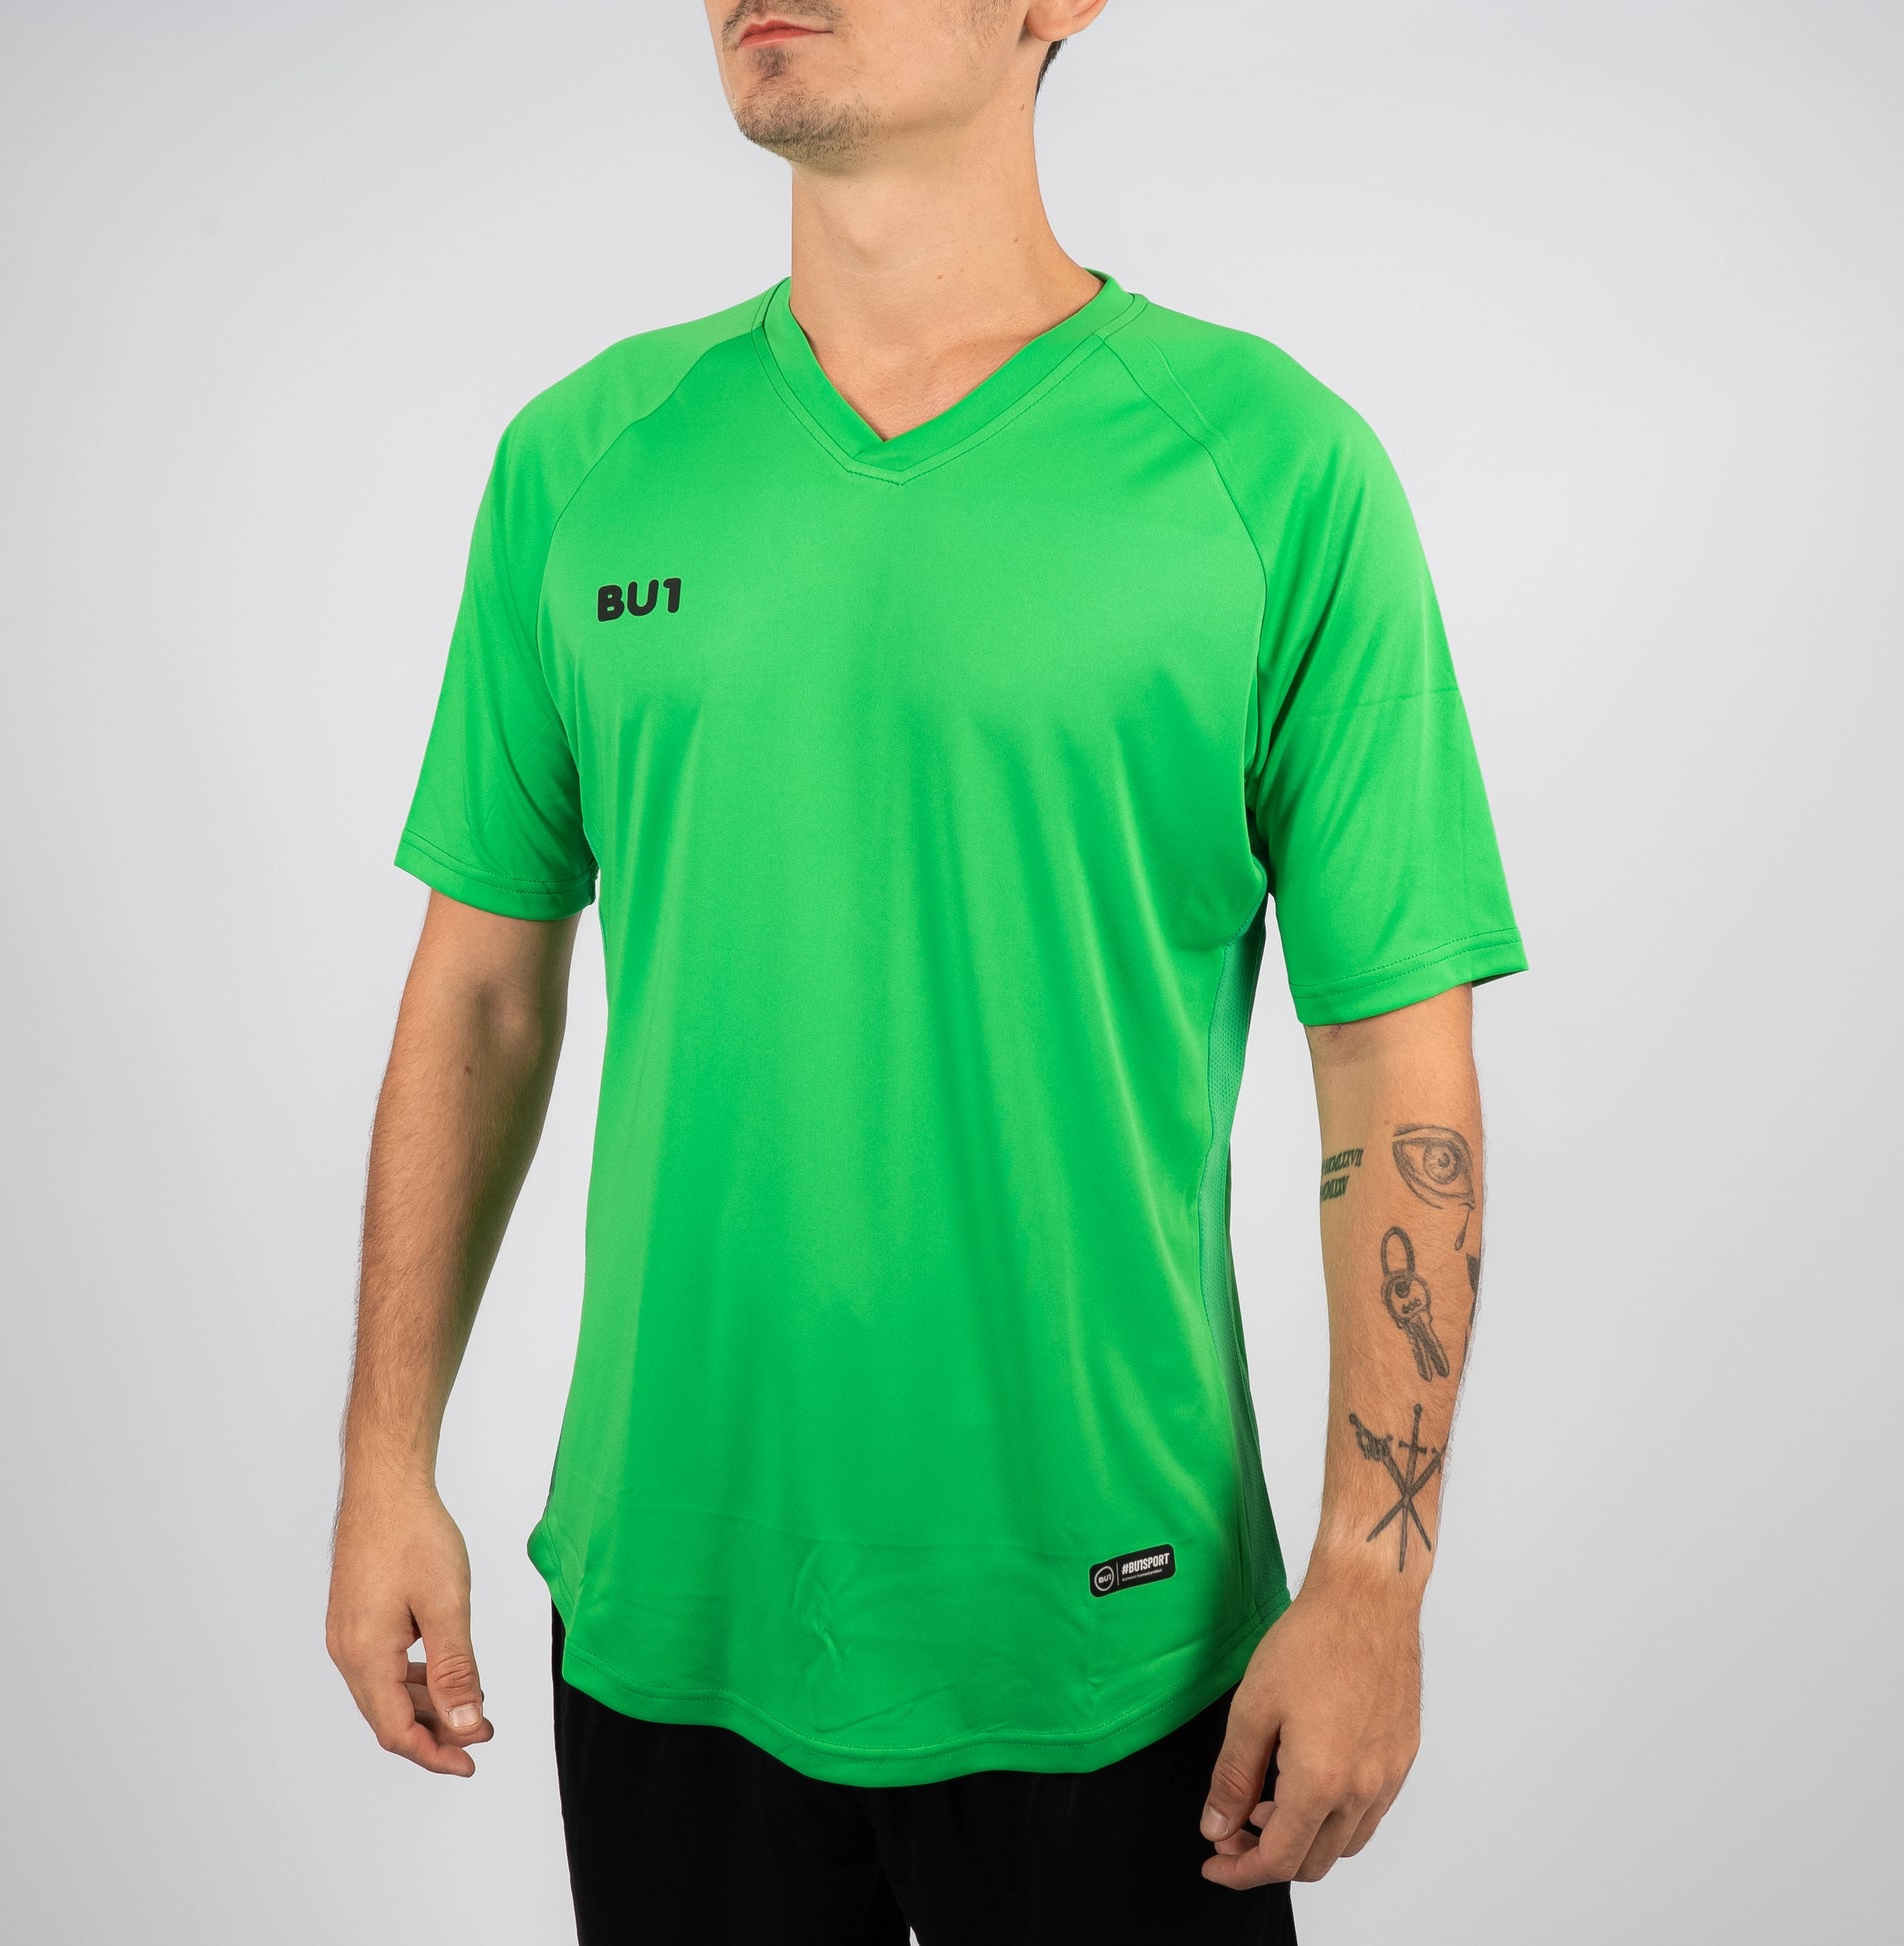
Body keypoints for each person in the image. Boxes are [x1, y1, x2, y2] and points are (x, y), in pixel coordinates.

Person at [324, 3, 1526, 1939]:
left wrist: (1373, 1583)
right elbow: (481, 990)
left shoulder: (1274, 471)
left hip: (1116, 1633)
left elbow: (1393, 1067)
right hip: (670, 1611)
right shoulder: (585, 459)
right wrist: (386, 1460)